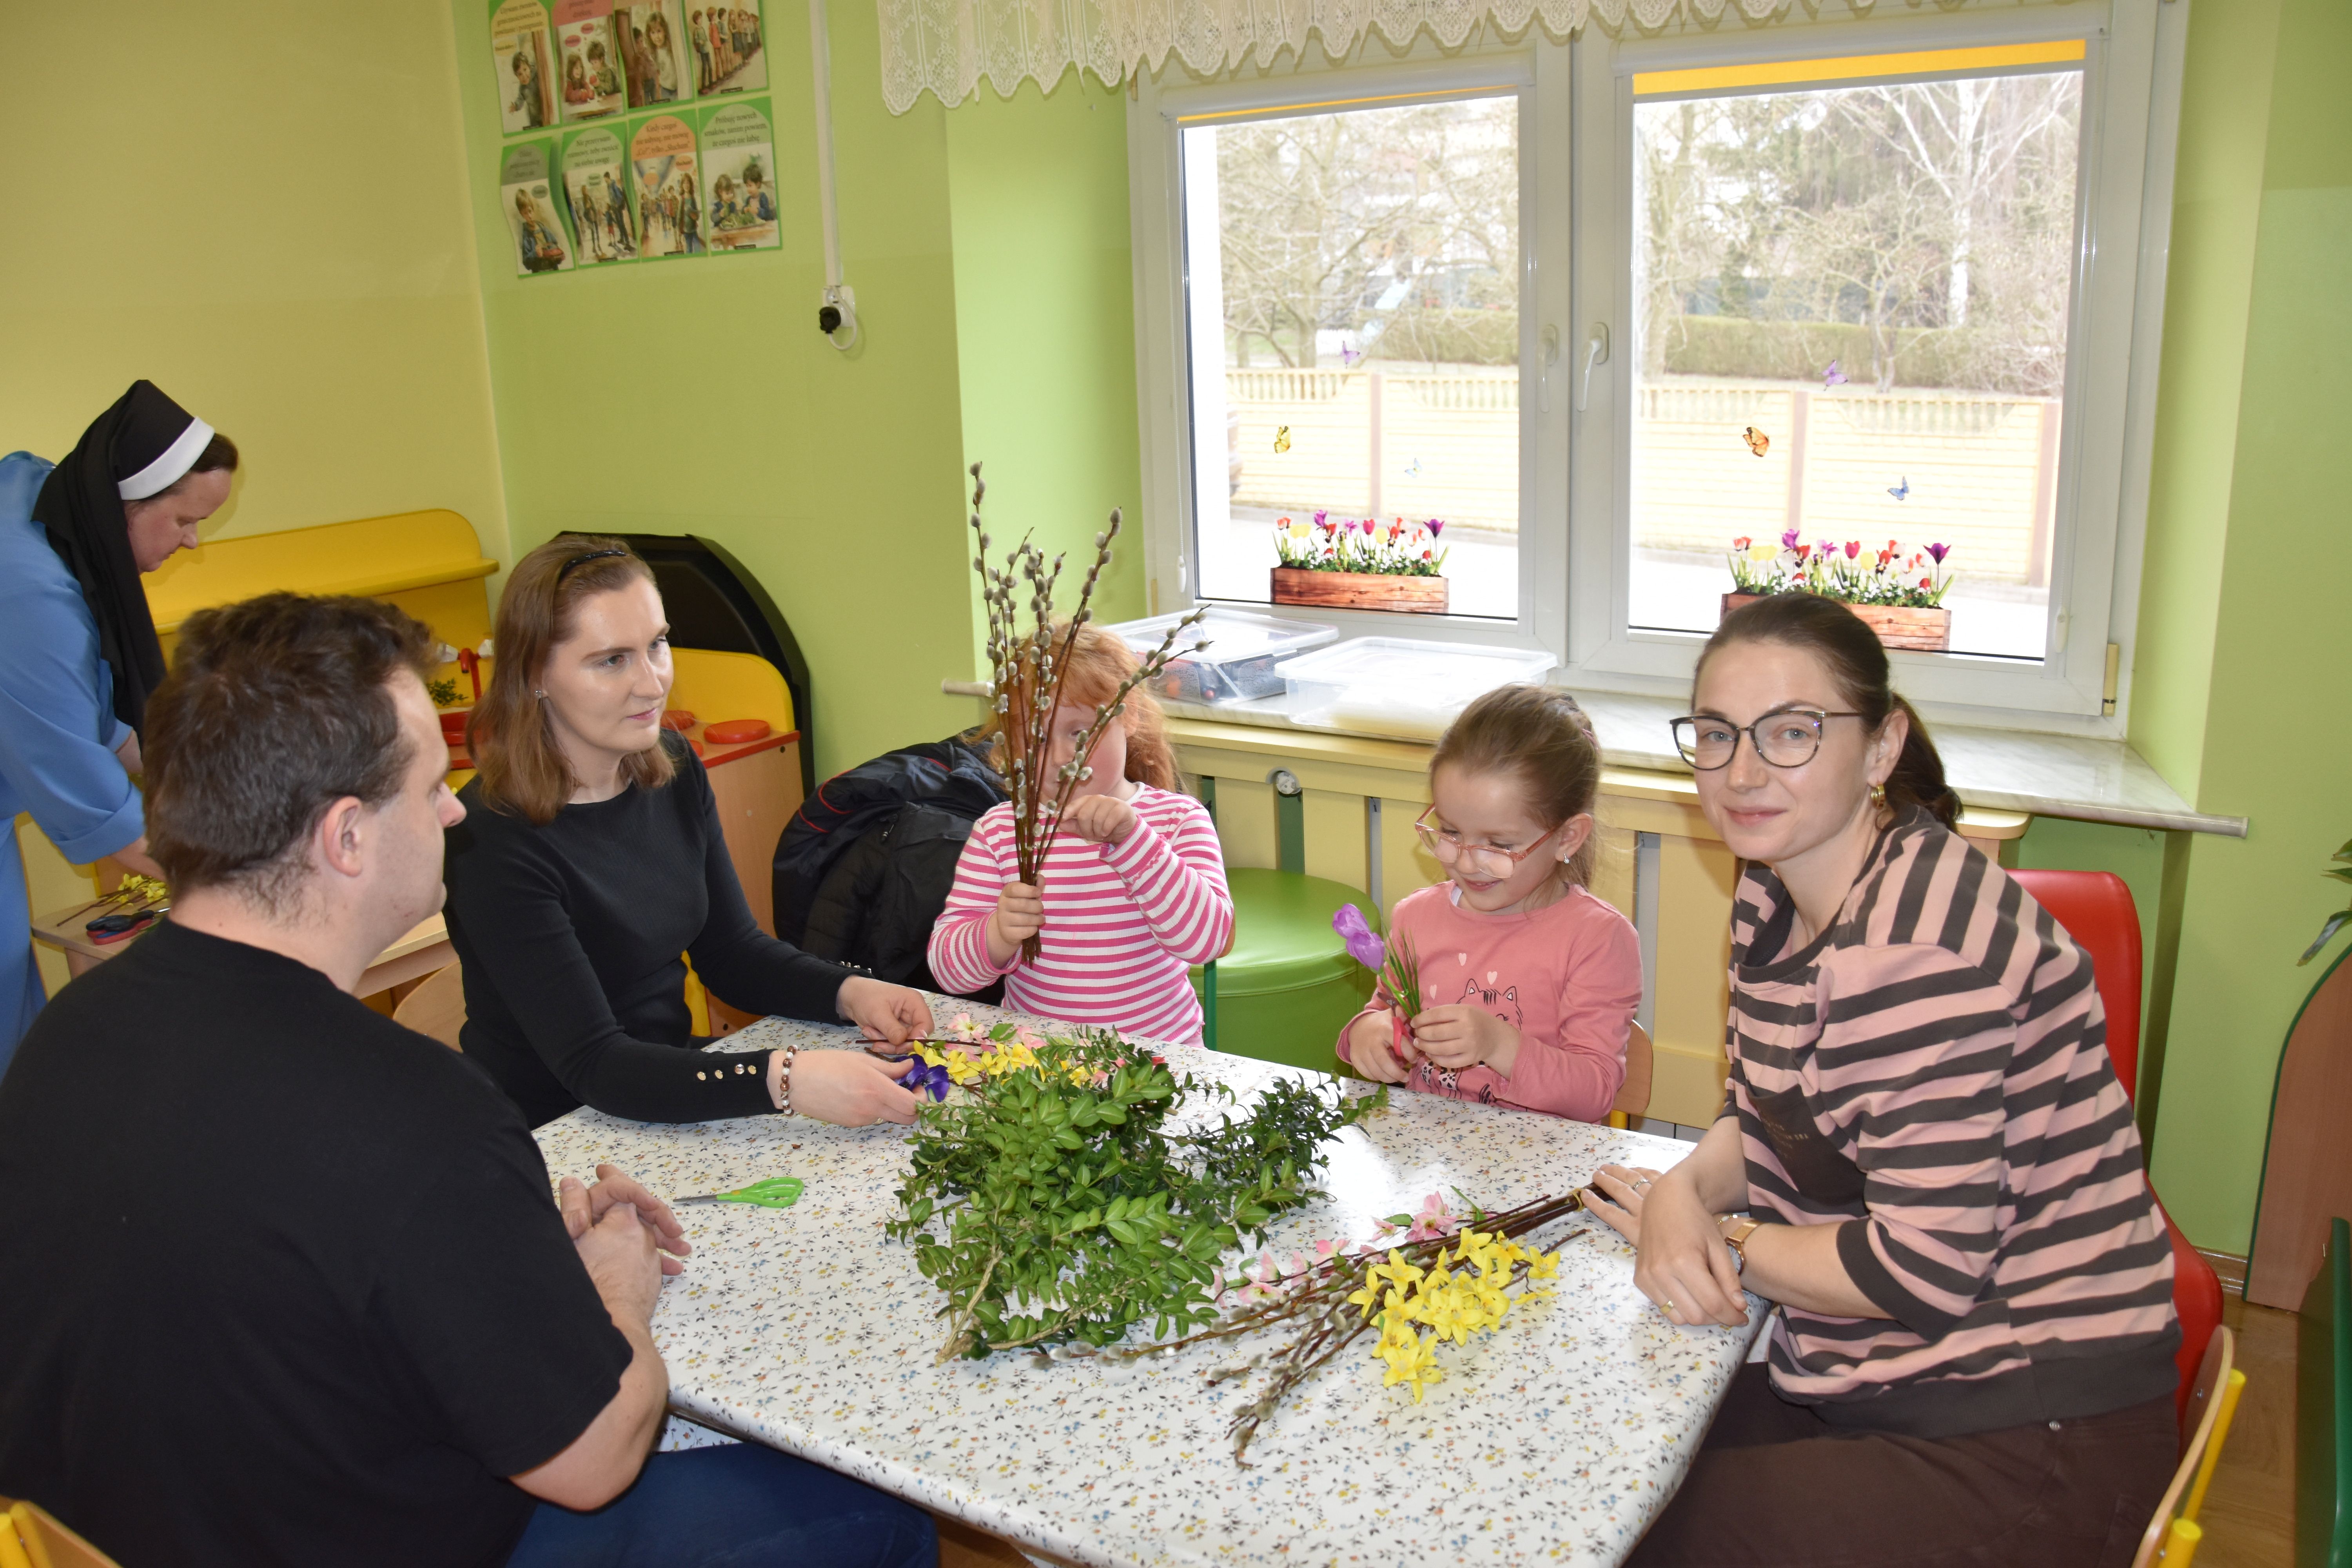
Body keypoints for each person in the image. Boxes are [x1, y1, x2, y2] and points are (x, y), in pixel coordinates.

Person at [0, 592, 936, 1567]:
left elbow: (280, 1278)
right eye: (429, 788)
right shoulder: (416, 1111)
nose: (455, 808)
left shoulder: (62, 1035)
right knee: (884, 1512)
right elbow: (594, 1459)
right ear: (347, 837)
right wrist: (619, 1291)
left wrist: (498, 1256)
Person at [1586, 593, 2180, 1568]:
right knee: (1612, 1474)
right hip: (1884, 1374)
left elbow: (1919, 1270)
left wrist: (1720, 1238)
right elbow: (1773, 1115)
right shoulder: (1776, 885)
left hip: (2027, 1428)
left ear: (1881, 745)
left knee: (1632, 1538)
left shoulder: (1914, 954)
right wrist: (1683, 1190)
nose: (1742, 772)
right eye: (1718, 734)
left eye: (1792, 732)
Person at [446, 538, 931, 1129]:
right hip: (554, 1128)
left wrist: (851, 992)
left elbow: (731, 953)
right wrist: (785, 1078)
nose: (653, 684)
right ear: (534, 674)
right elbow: (596, 1065)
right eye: (612, 660)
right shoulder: (490, 838)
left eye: (657, 645)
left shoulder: (672, 767)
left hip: (664, 1086)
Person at [0, 380, 234, 1070]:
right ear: (126, 506)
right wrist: (240, 879)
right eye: (184, 521)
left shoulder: (51, 502)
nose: (192, 542)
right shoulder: (31, 597)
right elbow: (100, 810)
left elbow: (95, 717)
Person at [1335, 684, 1642, 1118]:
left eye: (1498, 844)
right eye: (1451, 832)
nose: (1465, 862)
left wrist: (1499, 1045)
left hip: (1538, 1158)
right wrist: (1366, 1034)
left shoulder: (1597, 939)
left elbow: (1595, 1091)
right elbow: (1385, 1010)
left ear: (1567, 837)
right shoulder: (1416, 917)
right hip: (1429, 1148)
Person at [928, 623, 1234, 1043]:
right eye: (1036, 739)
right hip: (1042, 1064)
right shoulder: (1000, 832)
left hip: (1158, 1061)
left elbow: (1208, 942)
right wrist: (997, 933)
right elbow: (949, 973)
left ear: (1130, 716)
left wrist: (1134, 841)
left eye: (1079, 733)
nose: (1059, 758)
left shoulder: (1177, 820)